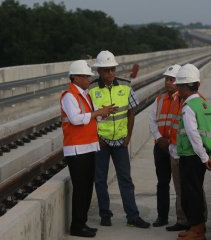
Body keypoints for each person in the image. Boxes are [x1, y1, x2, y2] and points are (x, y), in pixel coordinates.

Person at [88, 50, 150, 228]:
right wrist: (95, 137)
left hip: (121, 141)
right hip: (101, 141)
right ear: (99, 71)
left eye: (112, 69)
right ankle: (105, 214)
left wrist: (128, 136)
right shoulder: (91, 89)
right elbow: (88, 116)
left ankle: (132, 216)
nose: (110, 73)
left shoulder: (125, 86)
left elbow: (131, 111)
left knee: (125, 179)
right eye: (106, 70)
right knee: (100, 179)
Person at [60, 60, 118, 238]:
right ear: (76, 77)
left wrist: (102, 113)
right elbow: (76, 119)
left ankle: (82, 223)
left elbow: (91, 118)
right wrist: (97, 113)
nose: (88, 79)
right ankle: (77, 227)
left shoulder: (84, 95)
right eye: (86, 76)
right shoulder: (69, 96)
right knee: (81, 189)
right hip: (76, 149)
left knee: (86, 188)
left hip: (88, 147)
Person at [174, 64, 211, 240]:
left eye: (179, 86)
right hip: (201, 157)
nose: (178, 89)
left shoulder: (188, 107)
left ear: (184, 87)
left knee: (190, 194)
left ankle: (197, 231)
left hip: (190, 157)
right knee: (195, 191)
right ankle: (195, 227)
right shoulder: (205, 105)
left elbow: (193, 135)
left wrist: (203, 158)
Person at [149, 64, 181, 227]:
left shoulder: (182, 99)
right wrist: (159, 138)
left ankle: (181, 219)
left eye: (172, 79)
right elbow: (152, 120)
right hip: (161, 147)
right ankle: (162, 217)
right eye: (167, 79)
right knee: (162, 183)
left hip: (176, 148)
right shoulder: (160, 99)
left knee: (180, 184)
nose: (168, 82)